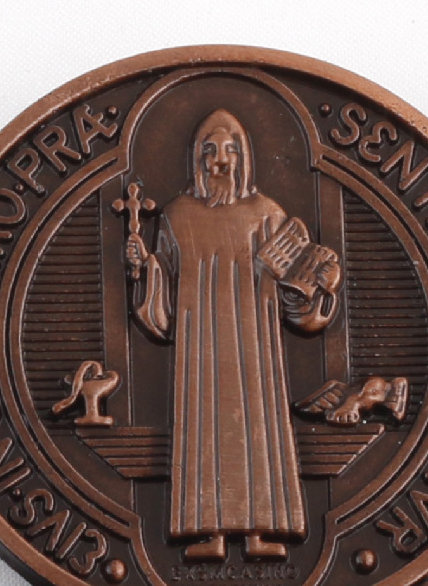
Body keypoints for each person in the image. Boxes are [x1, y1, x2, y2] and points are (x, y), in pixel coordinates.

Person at [125, 110, 340, 561]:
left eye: (228, 150)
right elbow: (163, 283)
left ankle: (264, 529)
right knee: (202, 427)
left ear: (243, 157)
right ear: (197, 159)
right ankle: (207, 532)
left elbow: (295, 290)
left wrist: (317, 281)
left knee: (258, 427)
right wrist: (143, 268)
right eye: (210, 150)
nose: (219, 160)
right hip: (199, 346)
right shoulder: (178, 215)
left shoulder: (268, 214)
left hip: (254, 344)